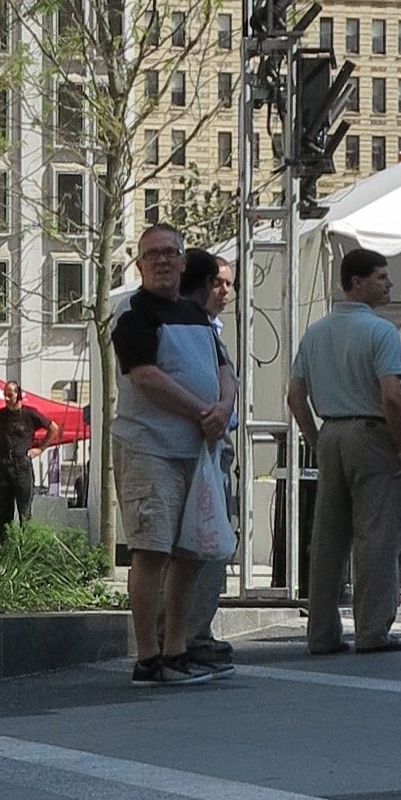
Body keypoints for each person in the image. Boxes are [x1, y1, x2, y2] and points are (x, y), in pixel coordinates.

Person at [120, 221, 234, 680]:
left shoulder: (198, 319)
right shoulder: (132, 318)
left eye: (171, 252)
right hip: (151, 451)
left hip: (196, 454)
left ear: (183, 262)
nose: (163, 260)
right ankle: (149, 656)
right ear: (141, 264)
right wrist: (202, 412)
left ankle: (177, 648)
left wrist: (223, 408)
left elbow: (225, 369)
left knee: (190, 553)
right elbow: (145, 378)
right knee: (150, 552)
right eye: (153, 254)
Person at [289, 242, 401, 658]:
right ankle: (373, 629)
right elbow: (393, 397)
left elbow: (294, 396)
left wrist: (314, 438)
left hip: (331, 434)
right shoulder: (381, 331)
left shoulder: (316, 331)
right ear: (356, 283)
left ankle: (321, 632)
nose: (389, 284)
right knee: (376, 536)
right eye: (381, 277)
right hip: (372, 433)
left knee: (328, 538)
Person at [174, 248, 242, 674]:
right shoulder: (185, 326)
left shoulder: (210, 330)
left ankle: (194, 632)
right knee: (200, 546)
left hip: (216, 446)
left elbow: (227, 381)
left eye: (230, 284)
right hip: (198, 448)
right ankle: (190, 635)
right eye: (217, 282)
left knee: (210, 544)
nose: (224, 291)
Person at [0, 385, 49, 535]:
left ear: (18, 395)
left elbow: (53, 427)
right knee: (3, 511)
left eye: (10, 395)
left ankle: (25, 547)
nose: (6, 399)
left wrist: (40, 449)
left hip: (21, 466)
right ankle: (6, 547)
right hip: (3, 465)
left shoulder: (30, 414)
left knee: (24, 511)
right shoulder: (0, 415)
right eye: (5, 395)